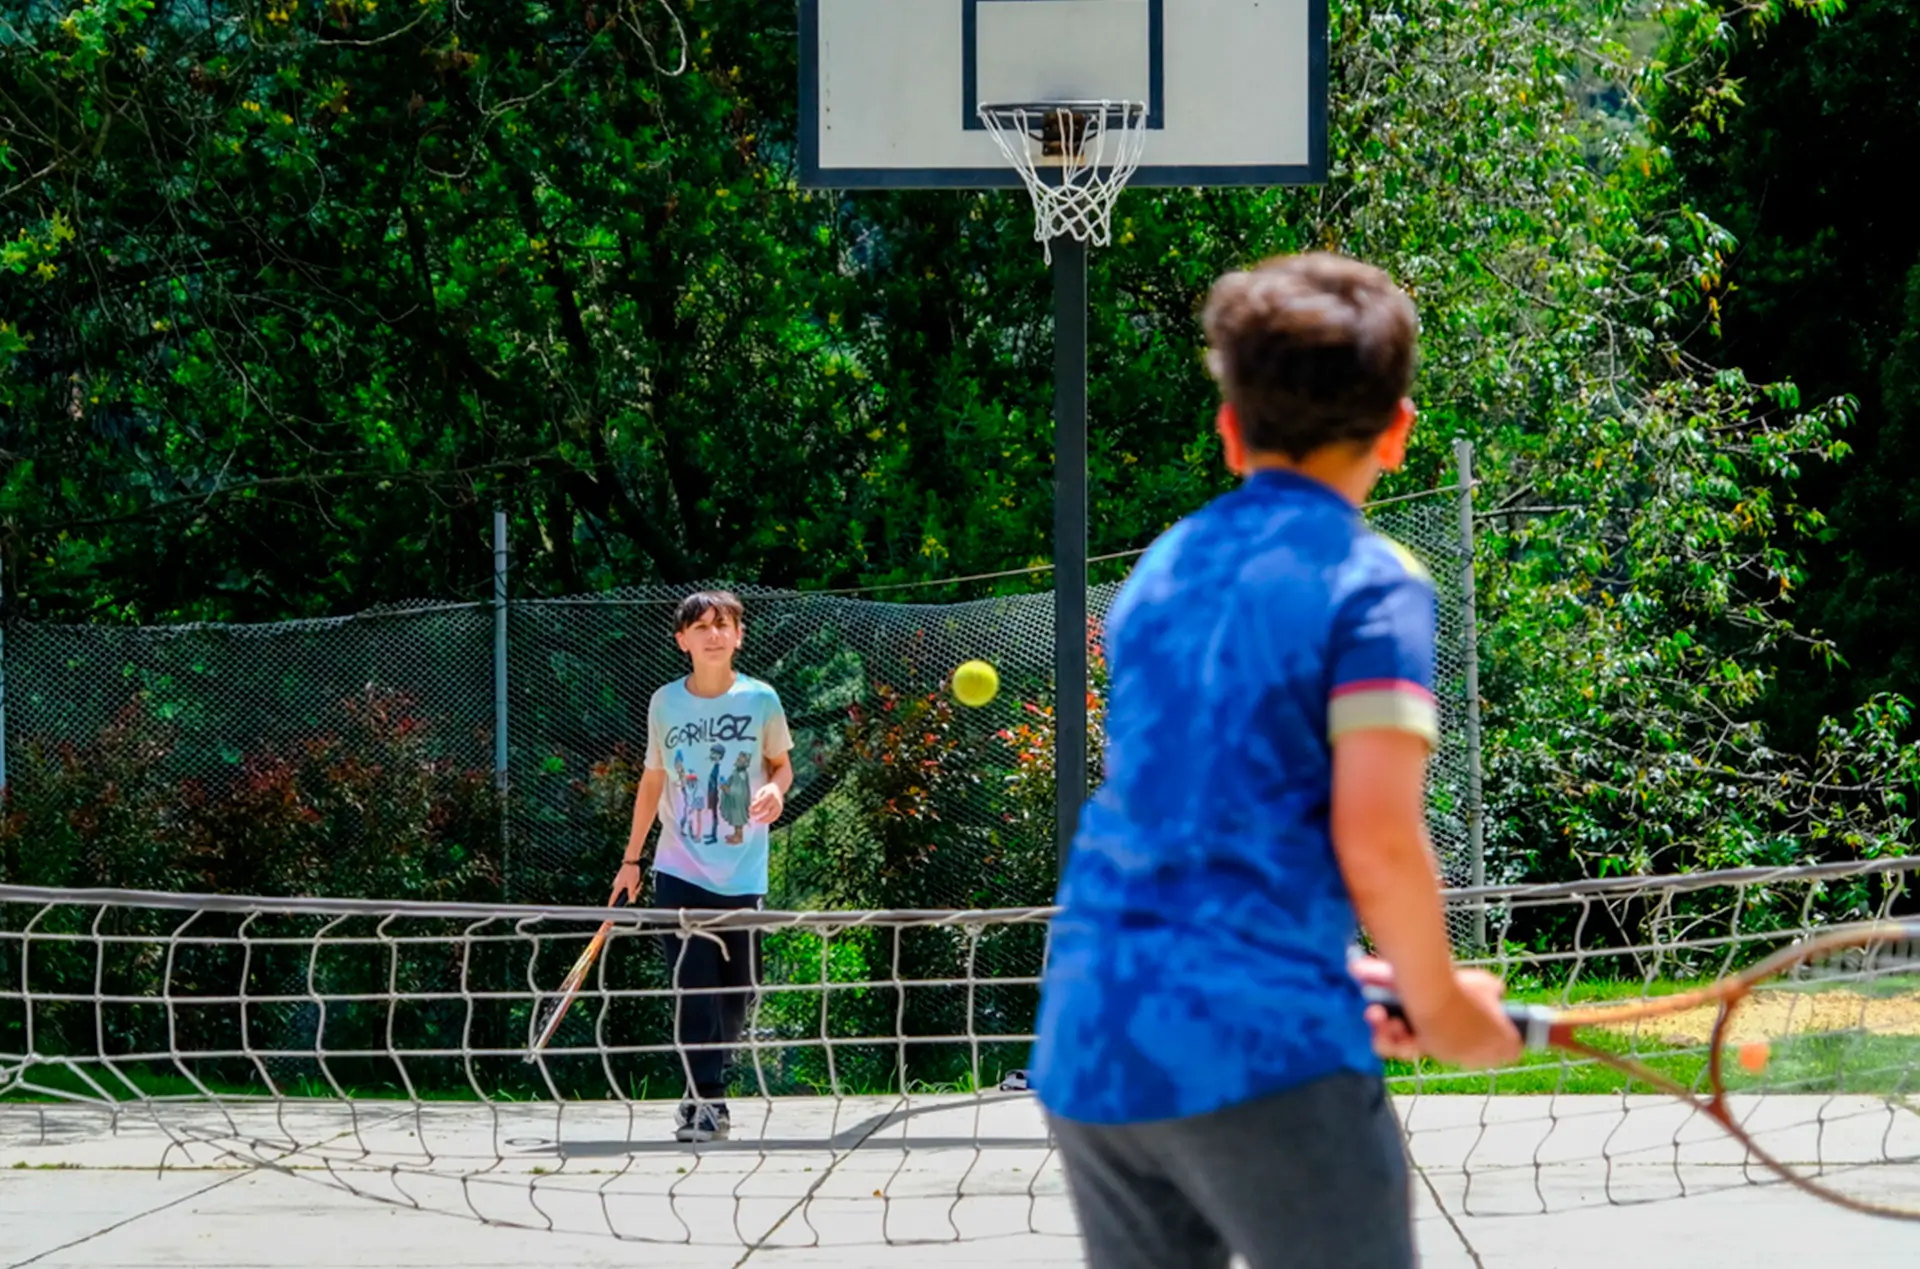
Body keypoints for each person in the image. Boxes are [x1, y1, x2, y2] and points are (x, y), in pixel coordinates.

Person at [1028, 253, 1522, 1269]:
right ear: (1397, 431)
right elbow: (1378, 837)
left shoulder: (1157, 576)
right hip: (1258, 1050)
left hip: (1093, 1035)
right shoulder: (1372, 583)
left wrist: (1330, 969)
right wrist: (1442, 1011)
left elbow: (1189, 818)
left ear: (1228, 433)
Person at [609, 590, 793, 1142]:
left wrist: (778, 794)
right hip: (679, 870)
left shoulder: (761, 700)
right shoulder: (665, 703)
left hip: (743, 875)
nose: (713, 634)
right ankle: (706, 1100)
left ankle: (707, 1084)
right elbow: (653, 781)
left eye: (724, 625)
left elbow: (782, 768)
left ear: (739, 636)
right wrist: (631, 860)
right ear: (682, 640)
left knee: (740, 991)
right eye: (702, 627)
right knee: (694, 986)